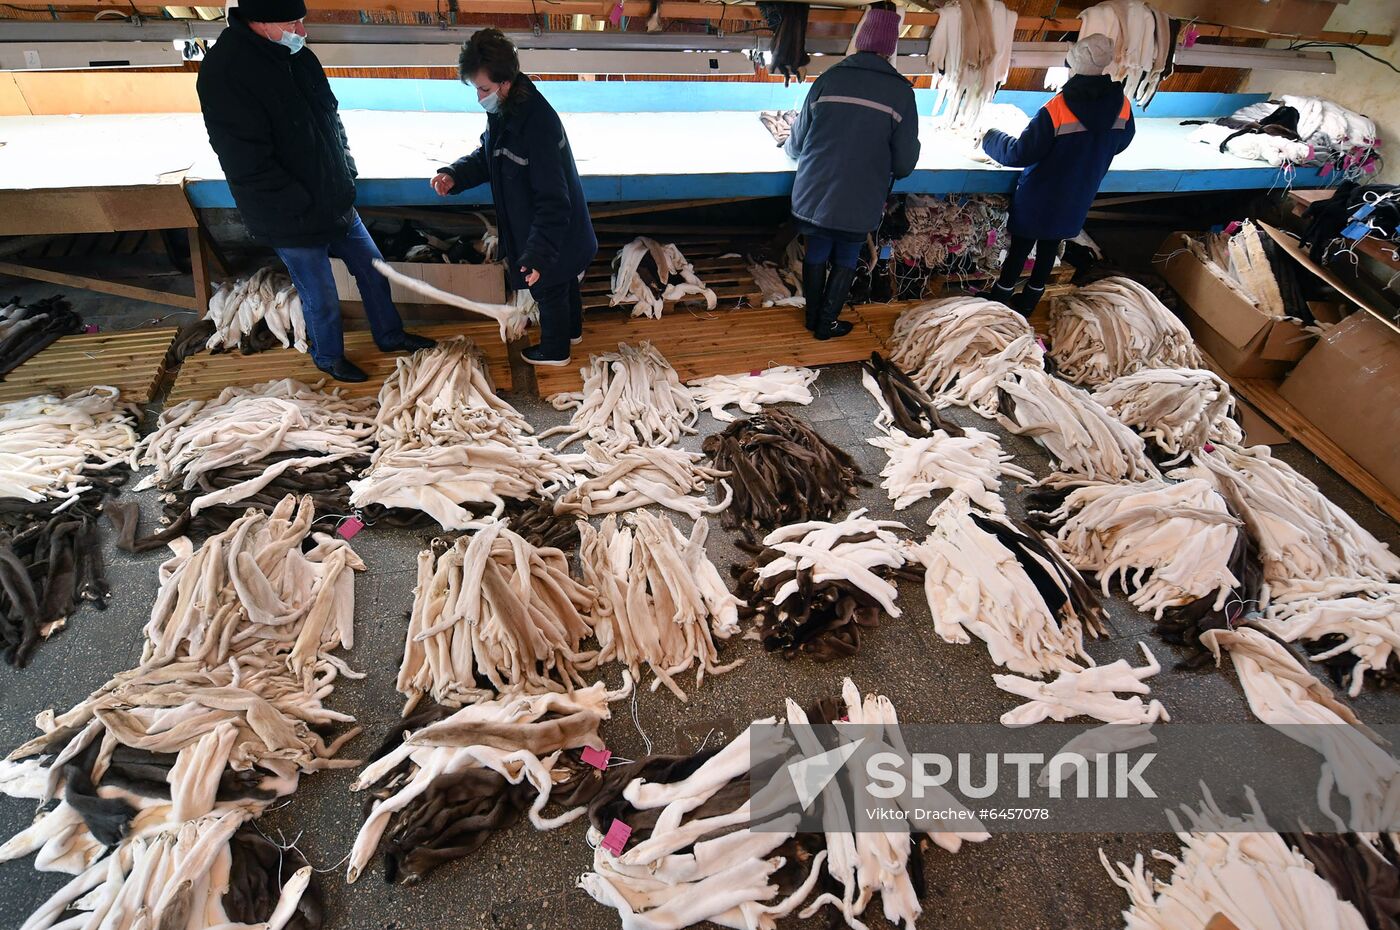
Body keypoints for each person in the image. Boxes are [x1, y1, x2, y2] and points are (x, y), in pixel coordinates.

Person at [196, 0, 433, 383]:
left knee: (375, 272)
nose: (302, 32)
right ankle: (328, 356)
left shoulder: (299, 58)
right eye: (293, 22)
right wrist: (301, 203)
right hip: (288, 213)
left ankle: (390, 336)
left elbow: (331, 119)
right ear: (260, 21)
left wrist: (346, 169)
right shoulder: (224, 74)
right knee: (319, 294)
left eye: (301, 22)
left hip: (334, 198)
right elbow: (247, 162)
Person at [432, 29, 598, 367]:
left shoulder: (537, 126)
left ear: (506, 82)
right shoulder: (505, 110)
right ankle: (571, 332)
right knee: (564, 282)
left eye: (484, 89)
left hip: (551, 229)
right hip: (554, 231)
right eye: (477, 88)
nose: (480, 98)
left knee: (548, 287)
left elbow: (553, 200)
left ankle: (555, 351)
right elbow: (489, 156)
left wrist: (537, 256)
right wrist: (455, 174)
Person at [784, 6, 919, 340]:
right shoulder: (901, 93)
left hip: (813, 194)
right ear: (890, 48)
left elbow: (796, 144)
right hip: (859, 200)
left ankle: (811, 317)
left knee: (816, 249)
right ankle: (826, 324)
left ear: (859, 41)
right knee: (846, 253)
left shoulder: (828, 79)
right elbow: (903, 165)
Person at [982, 34, 1136, 316]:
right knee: (1050, 247)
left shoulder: (1058, 107)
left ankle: (999, 301)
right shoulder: (1123, 104)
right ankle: (1028, 304)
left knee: (1020, 248)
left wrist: (990, 137)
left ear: (1075, 61)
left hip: (1040, 194)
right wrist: (1091, 155)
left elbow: (1019, 154)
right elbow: (1122, 142)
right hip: (1079, 193)